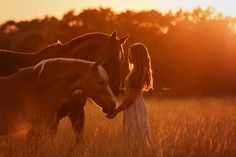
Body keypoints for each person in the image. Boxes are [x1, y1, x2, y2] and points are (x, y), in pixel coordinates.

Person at [106, 43, 153, 154]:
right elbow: (130, 92)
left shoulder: (138, 72)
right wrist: (114, 89)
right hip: (133, 108)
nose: (128, 56)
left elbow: (131, 99)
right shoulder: (136, 71)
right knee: (134, 141)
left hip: (134, 109)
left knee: (136, 141)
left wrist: (116, 111)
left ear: (136, 55)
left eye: (130, 54)